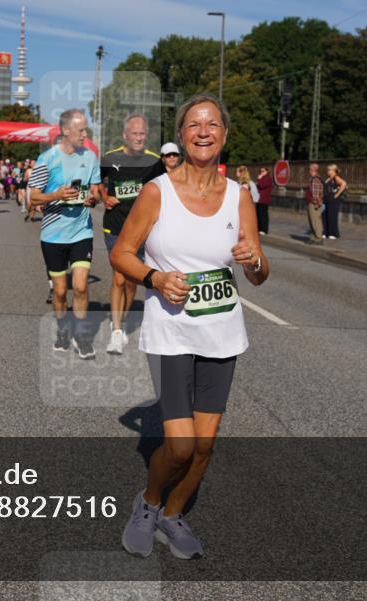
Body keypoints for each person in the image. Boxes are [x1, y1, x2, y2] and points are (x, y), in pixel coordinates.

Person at [111, 93, 268, 559]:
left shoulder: (239, 198)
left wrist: (253, 259)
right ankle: (149, 503)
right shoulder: (157, 190)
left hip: (223, 331)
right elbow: (122, 253)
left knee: (204, 447)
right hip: (171, 329)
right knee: (179, 448)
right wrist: (155, 277)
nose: (203, 132)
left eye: (213, 124)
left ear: (224, 134)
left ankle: (174, 514)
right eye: (194, 124)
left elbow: (259, 273)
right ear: (181, 135)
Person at [30, 108, 102, 358]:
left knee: (80, 286)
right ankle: (63, 329)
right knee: (60, 291)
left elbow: (96, 192)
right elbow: (33, 197)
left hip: (81, 231)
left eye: (86, 130)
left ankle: (82, 336)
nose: (85, 134)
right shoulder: (47, 159)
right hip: (53, 235)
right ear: (65, 131)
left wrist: (93, 199)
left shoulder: (90, 157)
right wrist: (57, 195)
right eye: (81, 130)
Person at [100, 113, 163, 355]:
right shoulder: (110, 158)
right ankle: (116, 331)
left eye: (142, 134)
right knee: (119, 277)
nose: (138, 137)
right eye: (134, 133)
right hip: (115, 227)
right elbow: (95, 184)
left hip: (141, 230)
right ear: (125, 135)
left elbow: (165, 191)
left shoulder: (154, 162)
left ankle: (122, 320)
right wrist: (104, 197)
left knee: (130, 281)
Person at [321, 163, 347, 240]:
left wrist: (337, 194)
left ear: (334, 171)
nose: (327, 171)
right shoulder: (328, 178)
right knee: (325, 215)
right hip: (326, 199)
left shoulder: (336, 177)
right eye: (327, 170)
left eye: (329, 170)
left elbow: (344, 183)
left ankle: (333, 233)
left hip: (333, 200)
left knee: (332, 216)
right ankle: (326, 232)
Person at [306, 162, 324, 244]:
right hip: (311, 203)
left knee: (315, 220)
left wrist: (316, 204)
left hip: (313, 203)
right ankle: (314, 236)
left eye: (309, 169)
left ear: (313, 170)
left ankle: (318, 237)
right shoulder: (313, 179)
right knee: (312, 220)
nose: (309, 171)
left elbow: (316, 194)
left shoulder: (316, 180)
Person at [255, 165, 272, 235]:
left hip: (264, 200)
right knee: (258, 214)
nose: (261, 173)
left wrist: (259, 179)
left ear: (267, 171)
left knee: (263, 215)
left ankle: (264, 229)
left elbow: (262, 185)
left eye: (263, 171)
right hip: (259, 199)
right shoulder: (263, 177)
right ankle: (259, 228)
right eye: (260, 171)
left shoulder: (268, 178)